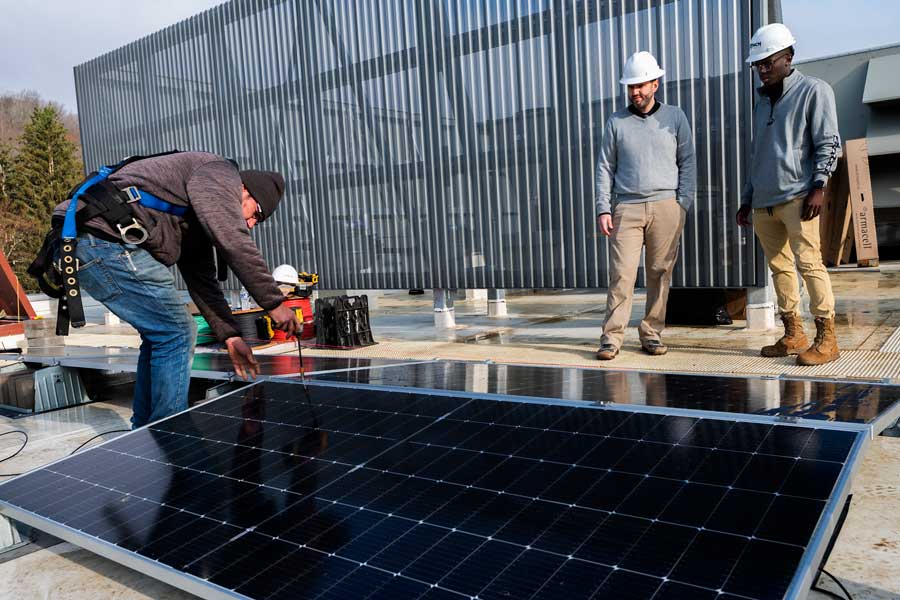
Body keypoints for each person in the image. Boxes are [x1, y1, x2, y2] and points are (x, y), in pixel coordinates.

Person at [51, 151, 300, 427]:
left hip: (89, 241)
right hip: (99, 239)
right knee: (178, 331)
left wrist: (230, 335)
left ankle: (145, 432)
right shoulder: (219, 173)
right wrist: (275, 304)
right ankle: (170, 433)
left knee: (162, 333)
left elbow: (202, 278)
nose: (251, 224)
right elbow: (235, 243)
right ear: (244, 190)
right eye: (257, 214)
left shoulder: (195, 209)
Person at [737, 23, 842, 366]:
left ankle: (827, 338)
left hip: (799, 196)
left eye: (768, 62)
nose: (763, 70)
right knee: (779, 269)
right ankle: (793, 334)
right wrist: (747, 198)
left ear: (789, 57)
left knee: (810, 264)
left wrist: (819, 186)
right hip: (765, 202)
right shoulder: (761, 103)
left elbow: (829, 141)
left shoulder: (814, 90)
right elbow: (759, 154)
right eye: (758, 64)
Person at [594, 51, 696, 361]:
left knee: (659, 272)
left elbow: (688, 161)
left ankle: (651, 333)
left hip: (667, 206)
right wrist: (603, 207)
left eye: (640, 85)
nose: (635, 92)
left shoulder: (676, 117)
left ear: (655, 84)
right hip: (627, 207)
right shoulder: (616, 122)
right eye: (630, 87)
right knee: (622, 275)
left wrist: (683, 204)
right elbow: (604, 167)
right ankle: (611, 337)